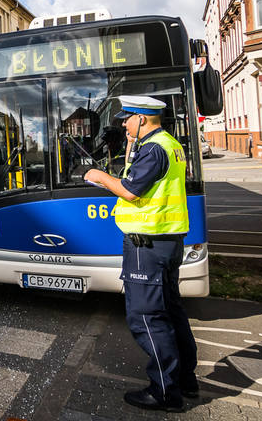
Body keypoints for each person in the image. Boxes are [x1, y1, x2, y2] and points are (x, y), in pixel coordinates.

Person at [84, 95, 198, 412]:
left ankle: (165, 392)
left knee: (146, 318)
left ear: (142, 119)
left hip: (146, 244)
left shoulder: (154, 148)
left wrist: (98, 176)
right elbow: (141, 188)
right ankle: (186, 381)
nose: (123, 124)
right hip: (165, 241)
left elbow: (132, 190)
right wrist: (115, 181)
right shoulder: (168, 144)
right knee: (171, 312)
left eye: (127, 118)